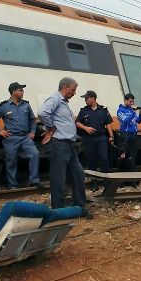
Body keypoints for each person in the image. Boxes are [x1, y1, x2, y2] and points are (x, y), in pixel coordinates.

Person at [39, 77, 88, 217]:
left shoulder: (64, 102)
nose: (74, 93)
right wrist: (51, 128)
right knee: (58, 179)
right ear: (65, 87)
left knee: (78, 175)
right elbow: (42, 113)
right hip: (58, 145)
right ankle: (58, 212)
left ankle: (79, 207)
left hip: (70, 146)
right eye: (73, 90)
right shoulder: (55, 99)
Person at [0, 82, 41, 190]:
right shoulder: (4, 106)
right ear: (13, 92)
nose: (23, 92)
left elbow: (32, 119)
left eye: (22, 90)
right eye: (20, 90)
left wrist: (33, 131)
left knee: (35, 154)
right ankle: (12, 185)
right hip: (11, 138)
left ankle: (34, 180)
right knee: (11, 161)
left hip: (25, 137)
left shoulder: (26, 105)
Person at [76, 90, 114, 190]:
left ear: (93, 98)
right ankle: (94, 182)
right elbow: (77, 123)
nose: (85, 100)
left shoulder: (103, 110)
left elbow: (108, 123)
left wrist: (111, 136)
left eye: (86, 98)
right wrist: (85, 128)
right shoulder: (84, 110)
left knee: (104, 159)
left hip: (101, 137)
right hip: (88, 139)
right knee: (91, 161)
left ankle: (107, 181)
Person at [116, 93, 141, 172]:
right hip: (125, 135)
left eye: (133, 102)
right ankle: (123, 176)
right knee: (123, 155)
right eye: (130, 101)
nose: (132, 103)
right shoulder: (120, 110)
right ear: (125, 100)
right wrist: (133, 112)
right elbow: (125, 121)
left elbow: (138, 121)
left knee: (132, 156)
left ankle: (132, 178)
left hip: (133, 135)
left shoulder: (131, 110)